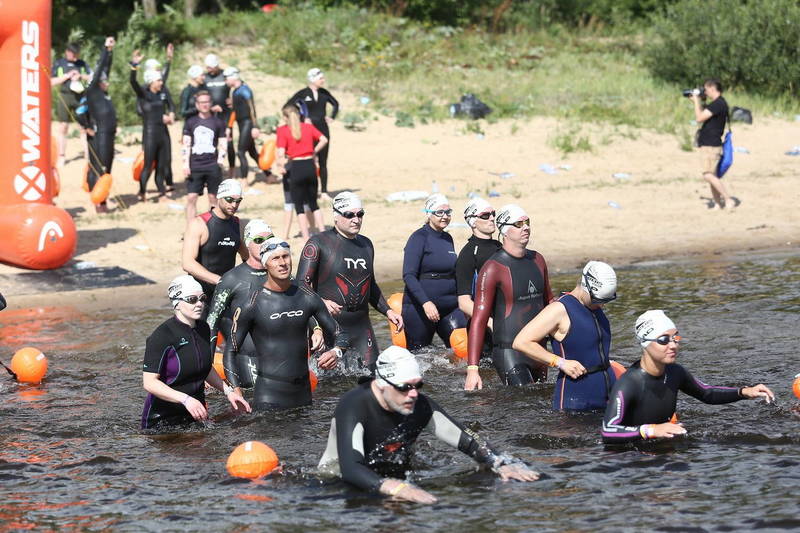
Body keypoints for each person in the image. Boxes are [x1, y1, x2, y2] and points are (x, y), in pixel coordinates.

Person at [318, 346, 540, 503]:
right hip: (338, 485)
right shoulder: (354, 405)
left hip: (393, 477)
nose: (413, 394)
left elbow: (466, 439)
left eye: (418, 385)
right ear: (382, 384)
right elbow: (351, 468)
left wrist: (499, 462)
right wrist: (400, 489)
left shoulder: (418, 404)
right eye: (404, 387)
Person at [601, 310, 774, 444]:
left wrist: (745, 391)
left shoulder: (675, 372)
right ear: (646, 343)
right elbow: (608, 431)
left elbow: (707, 393)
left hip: (662, 447)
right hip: (629, 459)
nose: (673, 345)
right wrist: (650, 431)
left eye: (675, 338)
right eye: (663, 340)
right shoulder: (629, 383)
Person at [225, 237, 347, 409]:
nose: (282, 263)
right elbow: (230, 350)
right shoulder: (252, 302)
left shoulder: (306, 295)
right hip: (269, 396)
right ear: (265, 263)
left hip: (304, 394)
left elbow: (340, 333)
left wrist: (336, 352)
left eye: (286, 256)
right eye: (275, 258)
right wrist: (236, 391)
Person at [296, 192, 403, 372]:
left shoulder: (366, 245)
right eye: (349, 215)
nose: (356, 219)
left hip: (361, 326)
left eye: (360, 214)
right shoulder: (318, 243)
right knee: (330, 387)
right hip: (330, 326)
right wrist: (321, 302)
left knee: (373, 377)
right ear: (336, 216)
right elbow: (300, 284)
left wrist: (388, 311)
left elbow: (371, 285)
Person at [141, 275, 251, 430]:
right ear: (177, 303)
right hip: (162, 421)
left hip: (195, 415)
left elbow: (205, 368)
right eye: (192, 299)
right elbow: (149, 383)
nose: (200, 304)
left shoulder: (203, 329)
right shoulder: (161, 336)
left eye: (202, 298)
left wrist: (229, 392)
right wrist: (185, 399)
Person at [465, 204, 554, 390]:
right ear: (505, 230)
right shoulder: (493, 268)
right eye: (519, 224)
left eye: (527, 222)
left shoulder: (538, 260)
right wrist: (473, 370)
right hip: (509, 353)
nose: (526, 227)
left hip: (538, 351)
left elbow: (550, 304)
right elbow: (478, 321)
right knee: (523, 405)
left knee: (542, 406)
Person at [513, 261, 618, 411]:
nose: (602, 305)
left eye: (606, 301)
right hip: (576, 398)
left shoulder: (593, 306)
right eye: (598, 300)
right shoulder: (559, 309)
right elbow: (521, 342)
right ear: (585, 286)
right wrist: (560, 362)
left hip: (607, 393)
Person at [207, 219, 273, 389]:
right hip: (248, 356)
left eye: (270, 239)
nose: (266, 244)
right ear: (248, 244)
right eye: (259, 240)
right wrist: (204, 367)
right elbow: (212, 323)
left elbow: (303, 304)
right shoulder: (231, 279)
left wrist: (316, 330)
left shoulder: (280, 273)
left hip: (279, 356)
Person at [401, 194, 467, 350]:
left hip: (450, 307)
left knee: (465, 353)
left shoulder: (447, 238)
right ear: (428, 214)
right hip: (420, 309)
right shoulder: (418, 238)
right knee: (421, 357)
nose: (445, 216)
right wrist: (426, 303)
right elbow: (408, 275)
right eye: (440, 212)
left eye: (448, 212)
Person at [181, 179, 248, 314]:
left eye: (238, 200)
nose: (234, 204)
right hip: (201, 296)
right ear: (219, 197)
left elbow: (246, 256)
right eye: (229, 199)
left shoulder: (236, 223)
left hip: (226, 294)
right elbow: (187, 263)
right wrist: (219, 280)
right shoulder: (199, 223)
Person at [74, 37, 117, 214]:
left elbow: (106, 69)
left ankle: (101, 200)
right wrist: (105, 50)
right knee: (100, 167)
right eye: (105, 81)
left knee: (106, 166)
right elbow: (100, 69)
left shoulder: (104, 95)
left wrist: (111, 53)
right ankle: (99, 203)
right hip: (100, 135)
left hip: (108, 135)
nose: (107, 83)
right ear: (99, 83)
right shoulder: (93, 91)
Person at [285, 68, 339, 201]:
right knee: (310, 161)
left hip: (323, 128)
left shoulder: (324, 92)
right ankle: (310, 191)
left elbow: (336, 104)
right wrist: (302, 118)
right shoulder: (303, 93)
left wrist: (332, 116)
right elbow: (288, 106)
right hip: (308, 131)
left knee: (323, 161)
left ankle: (324, 191)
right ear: (312, 79)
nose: (323, 80)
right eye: (321, 78)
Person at [275, 105, 328, 241]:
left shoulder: (283, 130)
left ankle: (306, 237)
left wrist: (280, 163)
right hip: (310, 165)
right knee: (313, 203)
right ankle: (322, 232)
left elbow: (280, 153)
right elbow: (324, 139)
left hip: (296, 167)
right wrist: (314, 151)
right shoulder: (308, 127)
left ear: (286, 117)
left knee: (299, 206)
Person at [130, 49, 176, 202]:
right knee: (148, 166)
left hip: (163, 133)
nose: (161, 83)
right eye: (158, 81)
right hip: (150, 134)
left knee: (162, 165)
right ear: (151, 81)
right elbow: (133, 82)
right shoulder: (143, 94)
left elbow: (169, 107)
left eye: (161, 80)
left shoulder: (160, 94)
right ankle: (142, 191)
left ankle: (162, 192)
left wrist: (170, 115)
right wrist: (134, 65)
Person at [182, 90, 227, 221]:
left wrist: (220, 161)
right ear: (197, 104)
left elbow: (223, 142)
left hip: (212, 164)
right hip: (195, 165)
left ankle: (212, 228)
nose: (204, 105)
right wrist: (185, 164)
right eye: (202, 102)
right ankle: (191, 228)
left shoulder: (218, 122)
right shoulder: (190, 122)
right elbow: (186, 145)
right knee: (191, 197)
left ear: (211, 103)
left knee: (213, 198)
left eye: (207, 102)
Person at [456, 197, 501, 322]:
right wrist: (491, 323)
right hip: (484, 325)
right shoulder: (468, 254)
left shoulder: (499, 246)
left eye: (493, 214)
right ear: (473, 222)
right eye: (485, 215)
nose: (492, 218)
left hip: (505, 319)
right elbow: (464, 303)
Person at [691, 78, 733, 210]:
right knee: (712, 175)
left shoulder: (718, 104)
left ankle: (728, 199)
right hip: (710, 143)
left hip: (711, 145)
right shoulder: (719, 103)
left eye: (706, 89)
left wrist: (696, 102)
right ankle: (717, 203)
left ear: (712, 88)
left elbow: (699, 118)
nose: (705, 92)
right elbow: (706, 115)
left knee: (707, 175)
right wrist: (700, 101)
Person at [51, 42, 92, 168]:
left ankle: (88, 155)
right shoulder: (59, 63)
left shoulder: (82, 64)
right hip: (65, 97)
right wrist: (67, 76)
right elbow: (51, 81)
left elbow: (91, 77)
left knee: (83, 127)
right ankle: (62, 156)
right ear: (67, 52)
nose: (74, 57)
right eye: (72, 54)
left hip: (80, 97)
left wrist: (80, 76)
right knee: (63, 126)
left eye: (76, 55)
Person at [224, 67, 260, 187]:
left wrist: (255, 126)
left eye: (226, 78)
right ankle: (269, 174)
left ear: (233, 77)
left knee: (240, 151)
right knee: (252, 152)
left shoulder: (245, 90)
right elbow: (234, 111)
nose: (225, 82)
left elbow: (252, 108)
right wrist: (229, 126)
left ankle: (244, 180)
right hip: (241, 123)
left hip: (248, 123)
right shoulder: (234, 91)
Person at [203, 53, 235, 174]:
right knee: (212, 142)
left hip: (226, 114)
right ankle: (214, 168)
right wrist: (210, 107)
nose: (209, 70)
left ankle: (232, 170)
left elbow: (238, 84)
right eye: (207, 68)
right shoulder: (205, 77)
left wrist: (234, 99)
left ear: (216, 66)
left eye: (211, 67)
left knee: (229, 142)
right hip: (211, 114)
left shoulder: (225, 75)